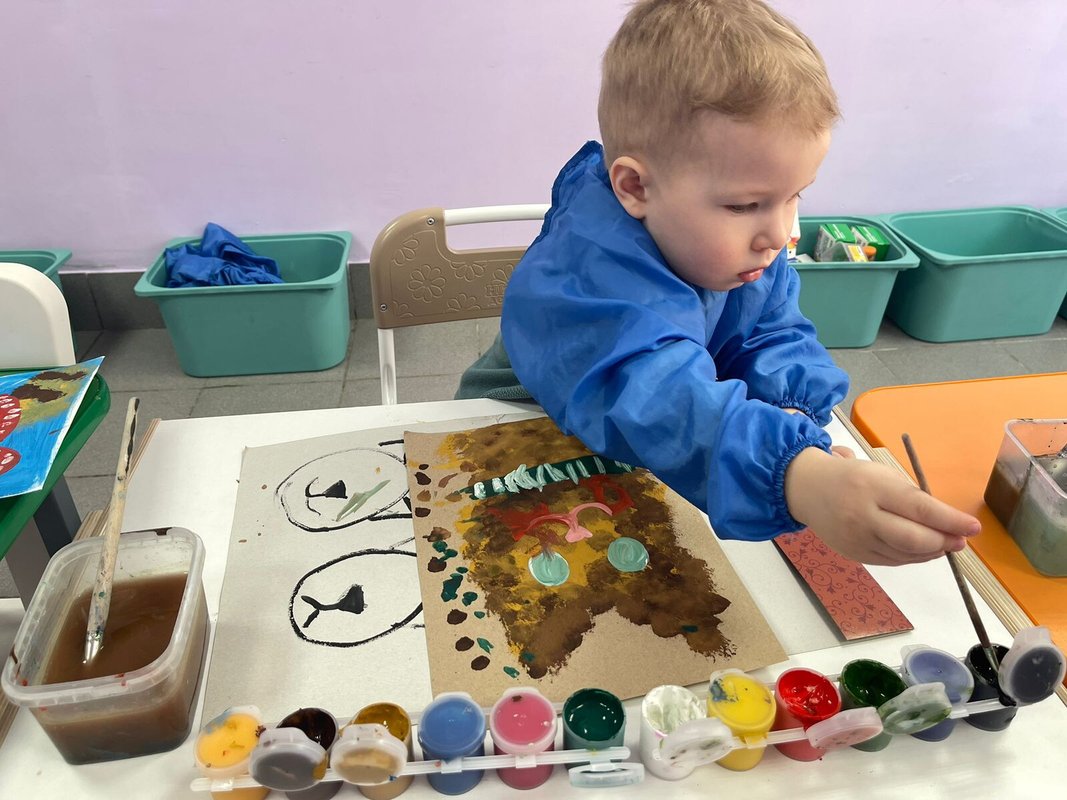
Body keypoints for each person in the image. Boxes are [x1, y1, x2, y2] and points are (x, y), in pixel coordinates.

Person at [456, 0, 980, 566]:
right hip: (512, 432)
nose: (780, 233)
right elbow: (655, 395)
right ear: (634, 188)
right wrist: (792, 474)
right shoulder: (588, 273)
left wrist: (792, 414)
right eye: (745, 205)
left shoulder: (742, 246)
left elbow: (772, 333)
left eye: (795, 195)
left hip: (648, 442)